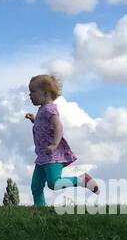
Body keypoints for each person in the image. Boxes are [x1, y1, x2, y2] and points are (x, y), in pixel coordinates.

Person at [24, 73, 99, 208]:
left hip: (53, 155)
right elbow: (44, 126)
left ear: (45, 93)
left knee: (54, 183)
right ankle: (40, 209)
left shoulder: (49, 109)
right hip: (43, 155)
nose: (30, 95)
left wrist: (54, 144)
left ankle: (82, 180)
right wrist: (34, 120)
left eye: (33, 91)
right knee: (36, 186)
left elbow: (58, 126)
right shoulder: (42, 109)